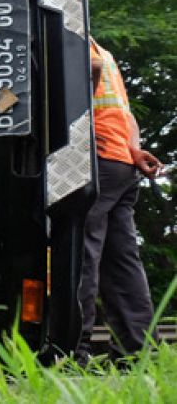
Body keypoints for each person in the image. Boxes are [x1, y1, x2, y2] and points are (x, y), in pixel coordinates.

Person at [78, 37, 165, 359]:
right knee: (121, 260)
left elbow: (91, 69)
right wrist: (133, 150)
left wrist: (79, 130)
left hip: (97, 158)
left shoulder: (74, 36)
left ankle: (72, 348)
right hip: (121, 163)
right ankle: (140, 350)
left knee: (79, 251)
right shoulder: (106, 52)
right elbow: (126, 114)